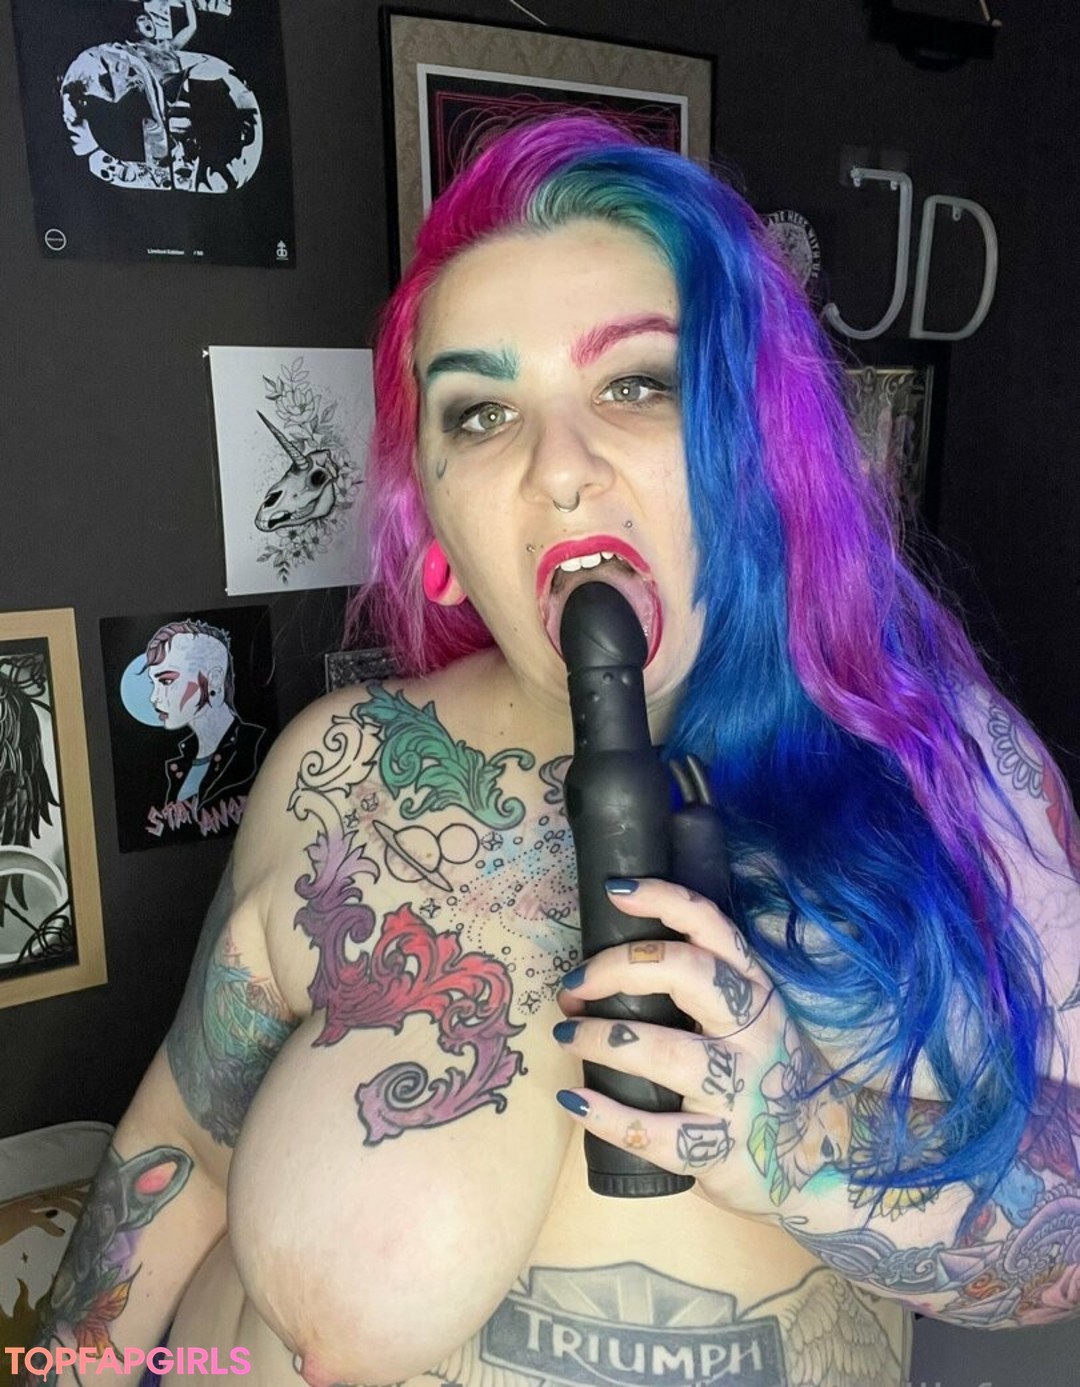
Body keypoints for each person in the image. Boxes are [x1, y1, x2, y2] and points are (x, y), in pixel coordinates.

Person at [29, 115, 1080, 1387]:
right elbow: (180, 1162)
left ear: (759, 443)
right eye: (481, 413)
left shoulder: (949, 775)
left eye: (636, 385)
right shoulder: (342, 769)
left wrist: (801, 1144)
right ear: (434, 519)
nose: (559, 471)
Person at [142, 619, 265, 810]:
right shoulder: (179, 763)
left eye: (166, 682)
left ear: (214, 679)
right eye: (154, 683)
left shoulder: (259, 746)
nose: (154, 698)